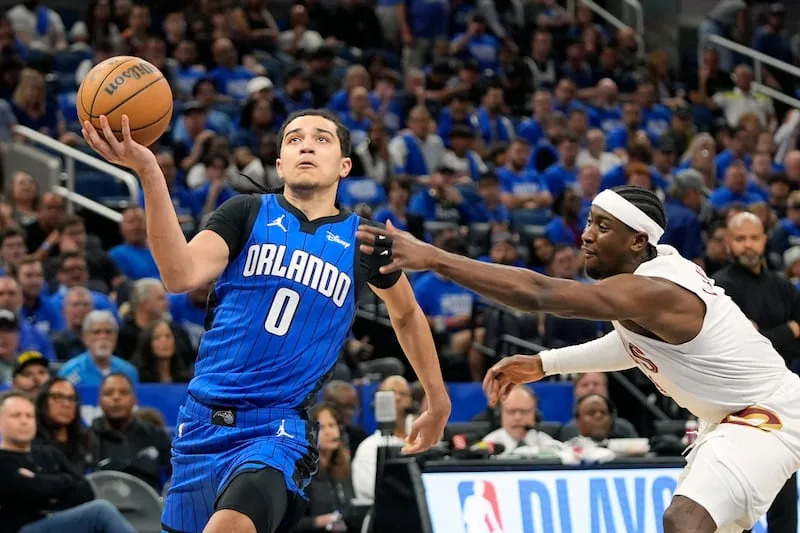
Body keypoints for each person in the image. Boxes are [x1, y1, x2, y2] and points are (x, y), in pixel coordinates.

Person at [81, 109, 451, 533]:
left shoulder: (364, 240)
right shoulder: (245, 212)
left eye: (322, 139)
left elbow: (406, 314)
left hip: (277, 430)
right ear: (279, 163)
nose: (306, 144)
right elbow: (178, 275)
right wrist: (149, 171)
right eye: (293, 139)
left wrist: (437, 398)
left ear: (345, 165)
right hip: (200, 422)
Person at [357, 184, 800, 533]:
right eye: (589, 222)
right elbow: (630, 347)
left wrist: (433, 257)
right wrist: (545, 364)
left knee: (684, 520)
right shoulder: (647, 283)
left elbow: (540, 293)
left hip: (766, 414)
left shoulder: (656, 290)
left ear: (637, 241)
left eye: (603, 227)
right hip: (732, 417)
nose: (586, 234)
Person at [0, 391, 135, 533]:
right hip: (20, 529)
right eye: (16, 415)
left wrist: (36, 479)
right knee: (100, 512)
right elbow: (25, 490)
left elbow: (85, 490)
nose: (24, 421)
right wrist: (60, 484)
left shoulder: (49, 453)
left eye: (29, 416)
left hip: (59, 522)